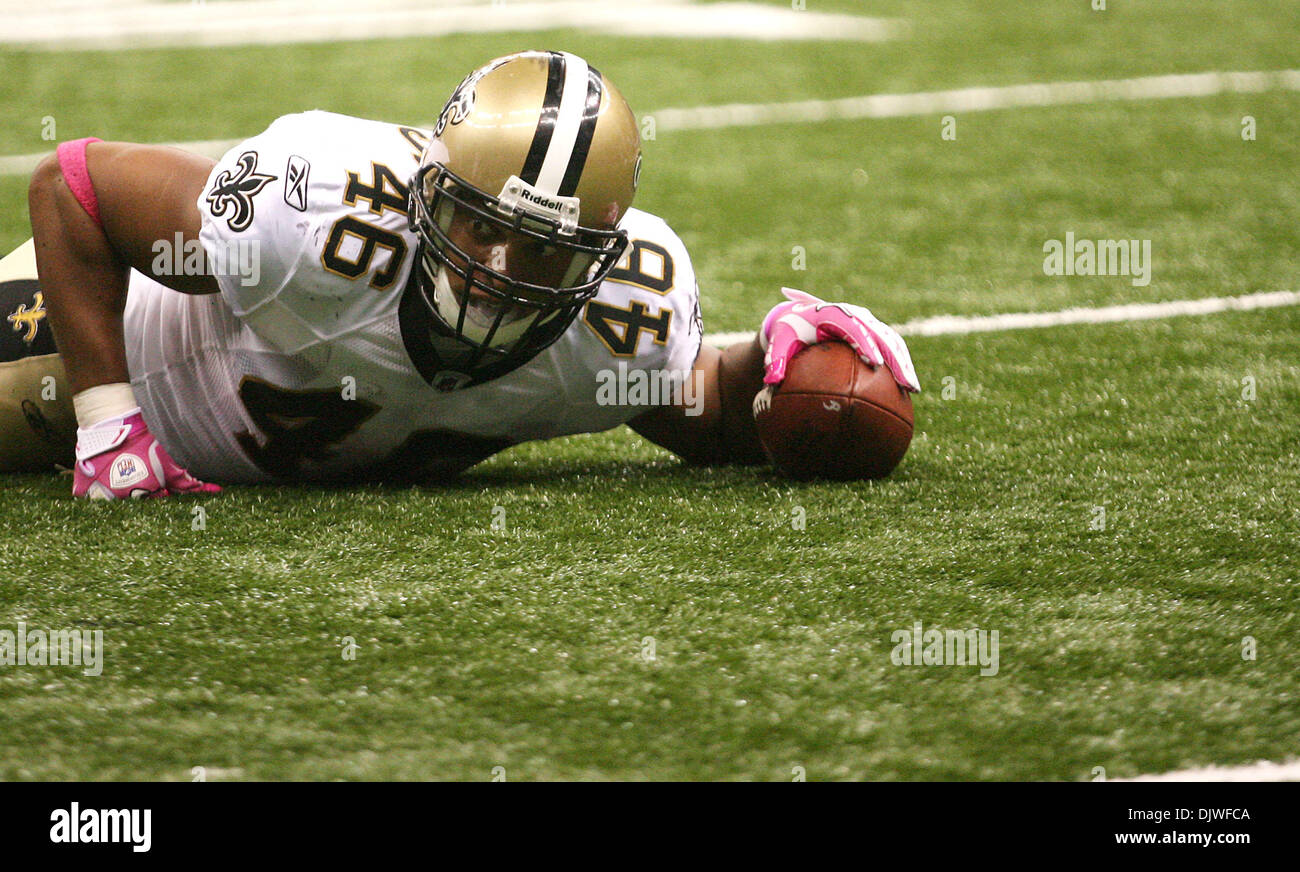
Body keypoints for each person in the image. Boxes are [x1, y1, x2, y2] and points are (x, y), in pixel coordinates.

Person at [7, 50, 918, 498]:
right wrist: (108, 427)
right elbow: (75, 187)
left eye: (544, 252)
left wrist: (784, 369)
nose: (496, 270)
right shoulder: (313, 215)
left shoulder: (623, 322)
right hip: (96, 345)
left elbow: (708, 407)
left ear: (598, 261)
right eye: (476, 225)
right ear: (425, 193)